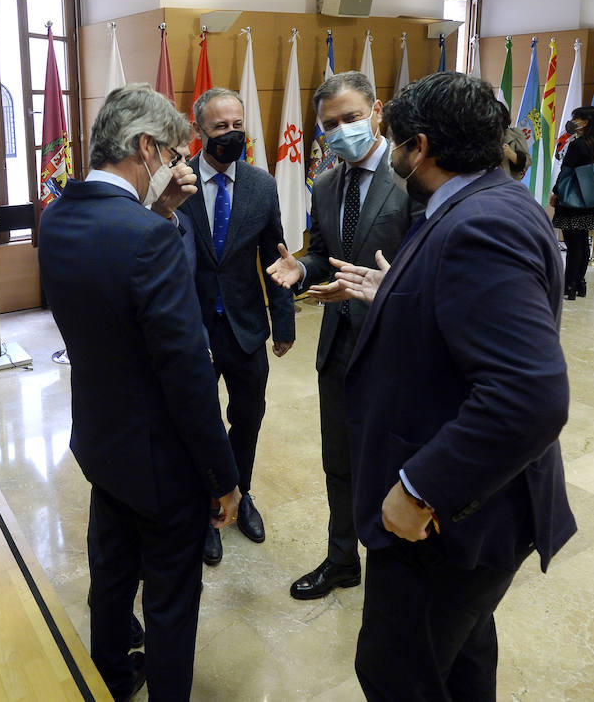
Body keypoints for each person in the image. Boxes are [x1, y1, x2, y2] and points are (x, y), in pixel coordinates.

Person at [337, 71, 577, 700]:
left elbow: (530, 394)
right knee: (465, 657)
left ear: (420, 148)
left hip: (453, 519)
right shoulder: (483, 201)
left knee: (394, 673)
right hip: (473, 523)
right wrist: (393, 290)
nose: (389, 153)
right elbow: (462, 318)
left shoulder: (480, 225)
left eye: (393, 141)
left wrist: (420, 489)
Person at [39, 84, 241, 701]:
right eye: (174, 154)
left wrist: (159, 215)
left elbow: (111, 293)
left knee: (111, 569)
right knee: (171, 600)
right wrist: (223, 476)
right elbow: (187, 374)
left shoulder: (57, 216)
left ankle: (113, 675)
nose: (179, 167)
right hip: (161, 459)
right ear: (146, 148)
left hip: (103, 441)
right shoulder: (150, 239)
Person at [265, 71, 417, 601]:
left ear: (377, 112)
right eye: (331, 124)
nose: (342, 130)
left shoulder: (410, 179)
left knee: (395, 463)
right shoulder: (326, 182)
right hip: (338, 346)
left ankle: (394, 565)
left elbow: (424, 263)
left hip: (395, 345)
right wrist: (301, 271)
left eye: (352, 118)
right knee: (340, 461)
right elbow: (323, 249)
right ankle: (340, 559)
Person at [176, 87, 294, 565]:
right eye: (221, 126)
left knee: (247, 419)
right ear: (199, 130)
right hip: (192, 331)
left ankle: (239, 495)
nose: (231, 134)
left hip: (245, 329)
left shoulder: (262, 186)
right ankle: (206, 508)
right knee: (196, 424)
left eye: (237, 125)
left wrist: (283, 323)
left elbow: (277, 255)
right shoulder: (175, 186)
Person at [550, 105, 594, 300]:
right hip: (589, 200)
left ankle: (569, 285)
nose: (573, 121)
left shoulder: (578, 145)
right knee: (583, 243)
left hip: (571, 200)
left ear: (585, 122)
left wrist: (556, 192)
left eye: (576, 118)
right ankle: (580, 283)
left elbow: (566, 171)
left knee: (573, 244)